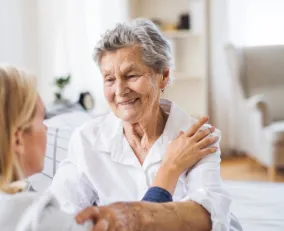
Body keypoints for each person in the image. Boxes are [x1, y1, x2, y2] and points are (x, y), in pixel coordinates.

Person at [0, 64, 217, 231]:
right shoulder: (33, 217)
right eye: (41, 119)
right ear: (16, 138)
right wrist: (170, 169)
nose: (48, 128)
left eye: (131, 75)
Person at [48, 19, 234, 231]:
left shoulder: (197, 138)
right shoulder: (86, 139)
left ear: (163, 76)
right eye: (109, 79)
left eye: (131, 75)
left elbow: (208, 220)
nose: (120, 90)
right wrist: (170, 169)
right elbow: (59, 217)